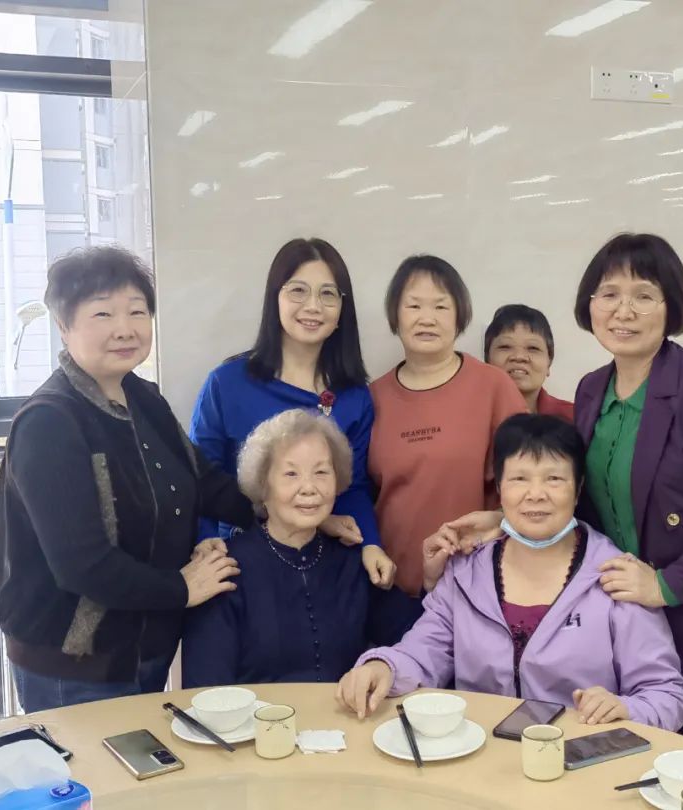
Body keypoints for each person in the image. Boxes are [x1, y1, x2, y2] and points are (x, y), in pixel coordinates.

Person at [441, 233, 683, 794]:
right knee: (653, 774)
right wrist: (502, 524)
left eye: (643, 295)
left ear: (671, 306)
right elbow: (587, 501)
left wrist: (666, 585)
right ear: (590, 305)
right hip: (634, 618)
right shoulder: (591, 390)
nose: (623, 310)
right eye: (609, 294)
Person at [0, 246, 251, 712]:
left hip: (146, 647)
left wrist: (288, 510)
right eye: (103, 313)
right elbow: (82, 564)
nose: (125, 328)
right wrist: (182, 587)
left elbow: (205, 484)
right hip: (73, 666)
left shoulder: (145, 399)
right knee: (89, 764)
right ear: (63, 325)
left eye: (136, 311)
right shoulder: (49, 422)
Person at [336, 414, 683, 731]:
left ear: (578, 488)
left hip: (579, 760)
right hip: (480, 758)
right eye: (519, 478)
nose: (536, 495)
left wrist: (627, 709)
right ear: (500, 489)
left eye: (554, 479)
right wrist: (383, 666)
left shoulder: (617, 576)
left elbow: (666, 695)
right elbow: (423, 652)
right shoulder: (465, 572)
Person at [190, 238, 396, 588]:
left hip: (321, 565)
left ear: (342, 309)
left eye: (328, 294)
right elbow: (199, 479)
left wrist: (371, 544)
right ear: (276, 298)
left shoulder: (354, 396)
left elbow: (353, 486)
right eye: (298, 291)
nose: (313, 306)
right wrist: (205, 542)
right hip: (239, 564)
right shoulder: (227, 383)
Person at [183, 410, 422, 687]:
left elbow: (420, 636)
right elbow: (206, 689)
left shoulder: (353, 563)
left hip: (346, 713)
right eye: (291, 474)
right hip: (256, 716)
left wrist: (431, 578)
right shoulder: (225, 570)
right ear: (263, 485)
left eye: (321, 472)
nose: (309, 488)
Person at [368, 255, 526, 595]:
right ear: (395, 315)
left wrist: (501, 519)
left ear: (459, 316)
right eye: (413, 306)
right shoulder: (373, 398)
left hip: (478, 586)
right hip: (391, 586)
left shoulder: (493, 387)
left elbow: (531, 479)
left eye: (441, 307)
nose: (427, 318)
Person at [484, 304, 574, 421]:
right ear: (487, 359)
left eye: (533, 348)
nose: (519, 357)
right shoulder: (467, 414)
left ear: (549, 362)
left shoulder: (575, 419)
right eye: (505, 346)